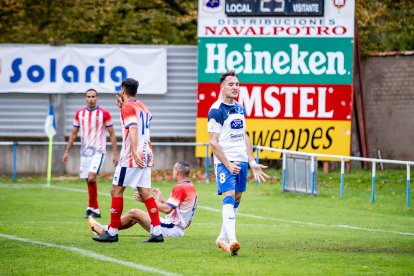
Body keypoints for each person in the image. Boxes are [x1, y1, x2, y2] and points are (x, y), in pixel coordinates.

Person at [92, 77, 163, 243]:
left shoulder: (128, 107)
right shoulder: (142, 106)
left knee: (116, 190)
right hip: (147, 152)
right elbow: (146, 118)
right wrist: (122, 107)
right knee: (145, 192)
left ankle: (112, 231)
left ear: (123, 90)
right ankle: (157, 232)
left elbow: (133, 127)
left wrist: (133, 151)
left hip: (133, 156)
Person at [208, 70, 269, 256]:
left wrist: (252, 162)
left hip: (241, 161)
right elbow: (213, 141)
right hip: (226, 162)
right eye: (231, 84)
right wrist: (226, 163)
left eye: (237, 84)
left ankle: (221, 237)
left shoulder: (240, 108)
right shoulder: (216, 110)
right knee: (229, 195)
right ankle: (233, 240)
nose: (236, 87)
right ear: (222, 87)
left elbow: (244, 136)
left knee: (237, 198)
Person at [88, 161, 197, 238]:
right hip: (176, 228)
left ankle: (104, 230)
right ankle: (106, 230)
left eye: (173, 170)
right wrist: (162, 200)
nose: (172, 172)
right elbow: (176, 208)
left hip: (172, 228)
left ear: (177, 172)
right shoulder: (190, 187)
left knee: (134, 212)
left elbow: (168, 209)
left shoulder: (180, 188)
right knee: (134, 216)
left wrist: (146, 200)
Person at [63, 88, 118, 218]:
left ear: (97, 98)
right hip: (85, 152)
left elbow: (112, 134)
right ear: (85, 98)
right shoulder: (79, 113)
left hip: (99, 151)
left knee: (92, 177)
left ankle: (91, 209)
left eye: (93, 97)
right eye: (88, 97)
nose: (91, 99)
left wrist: (115, 153)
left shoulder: (104, 113)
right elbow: (73, 133)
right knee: (89, 180)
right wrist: (67, 151)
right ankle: (95, 209)